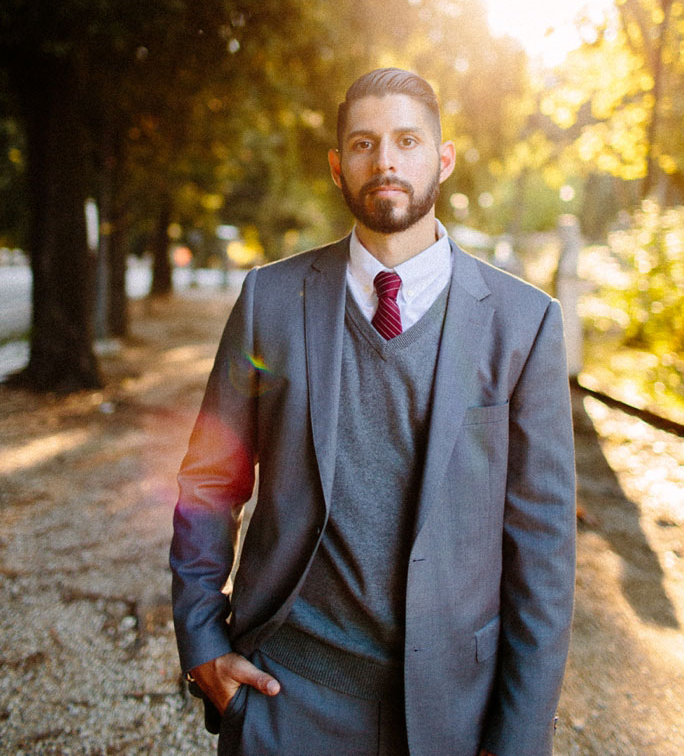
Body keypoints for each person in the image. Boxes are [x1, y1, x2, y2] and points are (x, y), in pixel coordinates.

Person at [170, 68, 576, 756]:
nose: (384, 160)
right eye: (363, 143)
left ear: (442, 159)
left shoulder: (524, 324)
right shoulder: (271, 301)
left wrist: (518, 737)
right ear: (337, 166)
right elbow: (211, 481)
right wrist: (202, 639)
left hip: (451, 712)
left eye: (407, 140)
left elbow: (541, 547)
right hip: (285, 700)